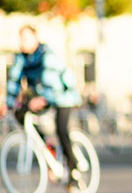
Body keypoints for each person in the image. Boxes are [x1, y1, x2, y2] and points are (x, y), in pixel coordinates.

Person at [3, 25, 82, 183]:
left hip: (62, 95)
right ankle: (47, 146)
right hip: (41, 97)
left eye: (26, 38)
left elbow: (50, 80)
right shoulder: (21, 58)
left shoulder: (47, 55)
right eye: (20, 38)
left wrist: (43, 98)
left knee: (61, 129)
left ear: (35, 38)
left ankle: (74, 170)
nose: (22, 42)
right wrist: (8, 104)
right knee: (20, 114)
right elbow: (14, 81)